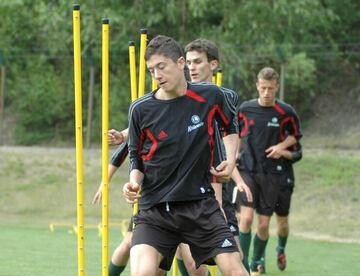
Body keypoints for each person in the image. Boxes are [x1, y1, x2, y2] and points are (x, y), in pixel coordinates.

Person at [123, 35, 248, 276]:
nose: (157, 75)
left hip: (200, 205)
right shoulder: (140, 109)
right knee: (144, 273)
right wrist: (133, 182)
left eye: (162, 67)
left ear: (180, 63)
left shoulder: (210, 95)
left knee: (235, 270)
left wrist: (231, 160)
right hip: (155, 210)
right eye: (151, 70)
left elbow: (231, 126)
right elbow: (135, 156)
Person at [174, 38, 252, 276]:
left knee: (231, 257)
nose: (192, 68)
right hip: (182, 186)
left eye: (198, 62)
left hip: (214, 184)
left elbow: (230, 139)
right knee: (190, 261)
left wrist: (235, 176)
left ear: (214, 64)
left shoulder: (225, 97)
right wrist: (125, 134)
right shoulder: (176, 95)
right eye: (188, 63)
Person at [235, 67, 302, 276]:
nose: (266, 93)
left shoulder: (286, 112)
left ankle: (257, 261)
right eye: (263, 88)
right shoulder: (245, 109)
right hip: (247, 170)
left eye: (270, 89)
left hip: (273, 174)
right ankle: (244, 266)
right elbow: (234, 133)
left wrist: (281, 147)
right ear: (257, 86)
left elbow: (295, 136)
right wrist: (235, 153)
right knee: (245, 219)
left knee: (263, 225)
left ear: (277, 87)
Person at [257, 142, 302, 274]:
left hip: (284, 181)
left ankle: (281, 249)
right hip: (264, 179)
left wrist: (282, 151)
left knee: (283, 225)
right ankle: (260, 258)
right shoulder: (261, 127)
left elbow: (298, 154)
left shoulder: (287, 133)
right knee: (263, 224)